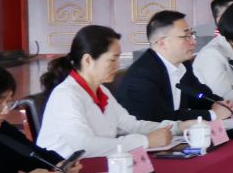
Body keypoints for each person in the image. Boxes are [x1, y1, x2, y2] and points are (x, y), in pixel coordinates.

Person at [36, 25, 175, 158]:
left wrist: (176, 127)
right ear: (88, 60)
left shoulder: (101, 90)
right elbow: (83, 146)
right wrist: (145, 141)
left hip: (95, 164)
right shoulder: (66, 95)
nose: (118, 65)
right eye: (112, 59)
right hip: (62, 170)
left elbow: (131, 125)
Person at [116, 11, 232, 124]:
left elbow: (200, 96)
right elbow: (157, 118)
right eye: (186, 36)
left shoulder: (183, 65)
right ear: (162, 43)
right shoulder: (141, 75)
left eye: (192, 34)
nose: (193, 41)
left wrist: (220, 104)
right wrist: (212, 115)